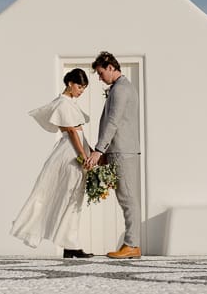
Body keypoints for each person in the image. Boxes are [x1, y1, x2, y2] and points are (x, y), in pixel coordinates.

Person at [10, 68, 94, 258]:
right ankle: (70, 245)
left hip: (75, 149)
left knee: (73, 197)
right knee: (71, 197)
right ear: (70, 83)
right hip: (71, 152)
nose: (81, 91)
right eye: (80, 86)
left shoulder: (68, 103)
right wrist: (83, 156)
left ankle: (69, 245)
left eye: (84, 88)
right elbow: (72, 132)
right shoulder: (63, 104)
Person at [84, 51, 141, 259]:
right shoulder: (120, 88)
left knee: (128, 198)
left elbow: (113, 121)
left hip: (123, 151)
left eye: (100, 73)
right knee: (126, 197)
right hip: (119, 149)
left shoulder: (121, 90)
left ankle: (132, 245)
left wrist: (99, 151)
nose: (99, 78)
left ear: (110, 67)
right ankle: (131, 244)